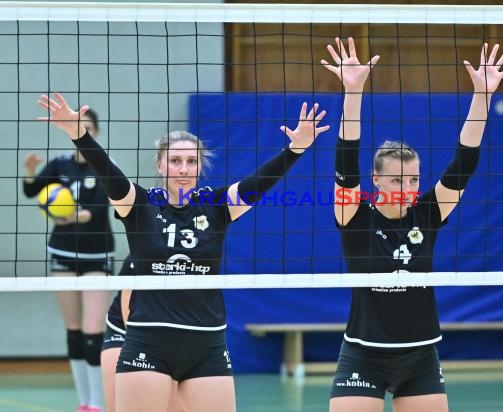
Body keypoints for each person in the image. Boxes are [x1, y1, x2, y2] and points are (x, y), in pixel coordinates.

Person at [38, 92, 329, 412]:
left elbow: (259, 183)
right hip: (148, 341)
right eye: (175, 160)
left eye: (191, 161)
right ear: (160, 164)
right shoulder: (139, 204)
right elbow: (107, 171)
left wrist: (296, 149)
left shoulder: (218, 207)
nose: (183, 169)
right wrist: (79, 134)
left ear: (201, 166)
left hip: (206, 344)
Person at [321, 37, 503, 412]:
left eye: (413, 179)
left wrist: (483, 96)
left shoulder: (427, 214)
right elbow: (345, 164)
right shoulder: (354, 217)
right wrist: (353, 91)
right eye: (397, 180)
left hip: (421, 356)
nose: (408, 188)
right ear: (376, 181)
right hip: (364, 355)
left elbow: (464, 164)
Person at [23, 109, 113, 412]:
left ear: (95, 133)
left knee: (92, 330)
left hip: (96, 256)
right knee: (73, 330)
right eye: (76, 127)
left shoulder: (104, 166)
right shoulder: (60, 163)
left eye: (86, 128)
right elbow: (31, 191)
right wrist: (30, 170)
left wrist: (68, 215)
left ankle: (99, 404)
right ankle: (84, 402)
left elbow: (99, 211)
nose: (81, 133)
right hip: (63, 253)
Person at [101, 257, 185, 412]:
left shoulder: (195, 258)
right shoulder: (140, 254)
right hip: (124, 330)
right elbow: (129, 317)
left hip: (172, 331)